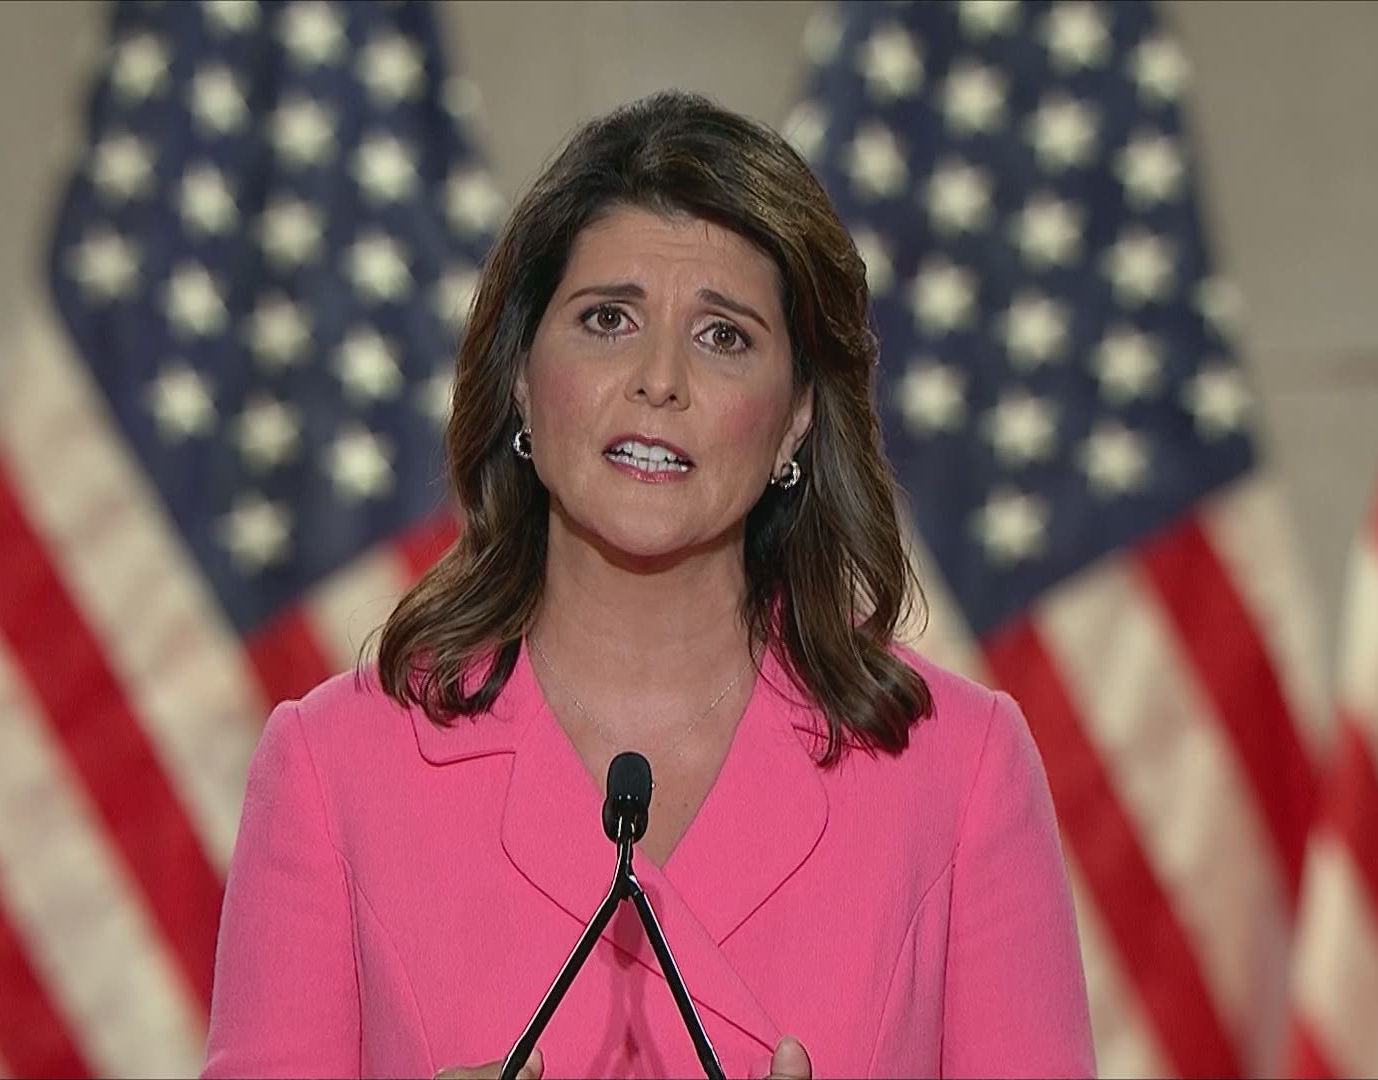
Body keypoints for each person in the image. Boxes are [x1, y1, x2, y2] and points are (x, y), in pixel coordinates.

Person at [201, 90, 1095, 1080]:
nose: (659, 377)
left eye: (725, 336)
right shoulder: (335, 772)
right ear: (522, 382)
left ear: (796, 418)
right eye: (607, 319)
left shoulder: (957, 772)